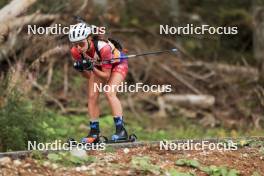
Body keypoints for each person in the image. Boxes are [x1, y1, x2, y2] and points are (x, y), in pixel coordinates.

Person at [68, 23, 128, 143]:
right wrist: (82, 70)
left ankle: (121, 130)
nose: (79, 47)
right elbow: (89, 76)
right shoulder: (75, 52)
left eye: (81, 43)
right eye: (75, 44)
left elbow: (106, 76)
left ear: (89, 38)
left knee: (109, 92)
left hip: (118, 64)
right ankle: (94, 132)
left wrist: (92, 68)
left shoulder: (103, 48)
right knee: (92, 96)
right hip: (99, 67)